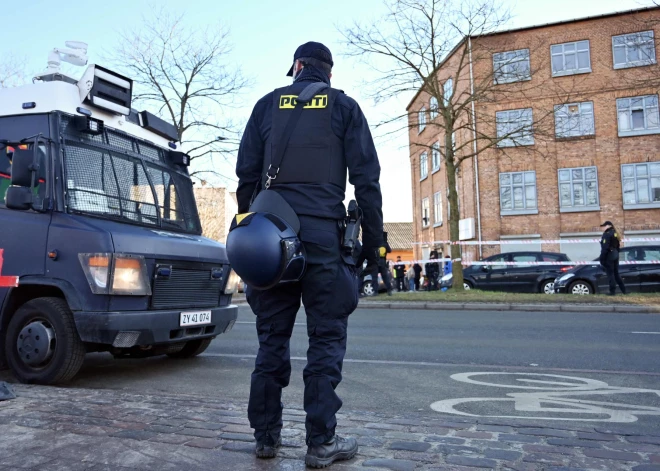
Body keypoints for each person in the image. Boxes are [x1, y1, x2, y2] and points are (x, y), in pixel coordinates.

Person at [235, 41, 384, 468]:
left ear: (297, 67)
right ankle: (321, 442)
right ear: (328, 74)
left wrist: (253, 227)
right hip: (325, 239)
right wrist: (375, 244)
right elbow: (366, 181)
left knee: (271, 340)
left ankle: (266, 437)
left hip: (272, 240)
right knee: (325, 340)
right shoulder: (343, 107)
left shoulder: (265, 106)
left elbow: (246, 177)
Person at [599, 220, 626, 296]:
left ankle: (612, 292)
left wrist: (602, 259)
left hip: (609, 256)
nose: (603, 228)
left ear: (608, 226)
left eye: (604, 226)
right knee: (616, 274)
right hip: (615, 255)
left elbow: (605, 248)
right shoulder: (615, 233)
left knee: (610, 274)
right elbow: (618, 246)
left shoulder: (607, 234)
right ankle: (623, 290)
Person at [370, 231, 393, 296]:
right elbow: (389, 250)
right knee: (385, 277)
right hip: (382, 262)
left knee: (374, 277)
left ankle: (375, 292)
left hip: (374, 262)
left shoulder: (373, 242)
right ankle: (389, 290)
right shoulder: (384, 243)